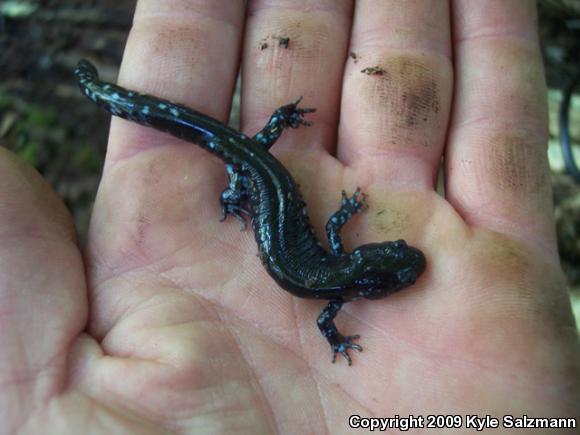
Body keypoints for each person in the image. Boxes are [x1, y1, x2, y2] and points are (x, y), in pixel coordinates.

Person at [2, 1, 579, 433]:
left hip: (260, 173)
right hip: (256, 175)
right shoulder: (336, 288)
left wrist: (343, 212)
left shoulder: (338, 276)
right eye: (398, 256)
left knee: (240, 152)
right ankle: (103, 94)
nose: (395, 256)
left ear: (372, 271)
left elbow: (332, 269)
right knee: (234, 152)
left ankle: (129, 103)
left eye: (396, 263)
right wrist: (335, 225)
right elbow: (329, 305)